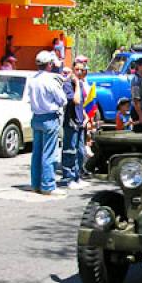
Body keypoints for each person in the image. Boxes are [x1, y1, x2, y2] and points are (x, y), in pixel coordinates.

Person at [27, 50, 66, 195]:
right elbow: (62, 100)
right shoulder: (51, 80)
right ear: (49, 64)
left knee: (36, 152)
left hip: (36, 117)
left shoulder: (32, 79)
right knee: (49, 153)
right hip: (50, 117)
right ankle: (48, 185)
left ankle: (35, 184)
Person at [60, 59, 87, 189]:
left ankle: (77, 176)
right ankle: (68, 177)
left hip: (80, 121)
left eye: (82, 70)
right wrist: (76, 84)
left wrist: (85, 116)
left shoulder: (80, 84)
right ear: (72, 70)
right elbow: (76, 101)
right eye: (77, 69)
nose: (79, 72)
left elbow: (81, 104)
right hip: (71, 122)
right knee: (70, 150)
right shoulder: (68, 84)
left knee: (80, 151)